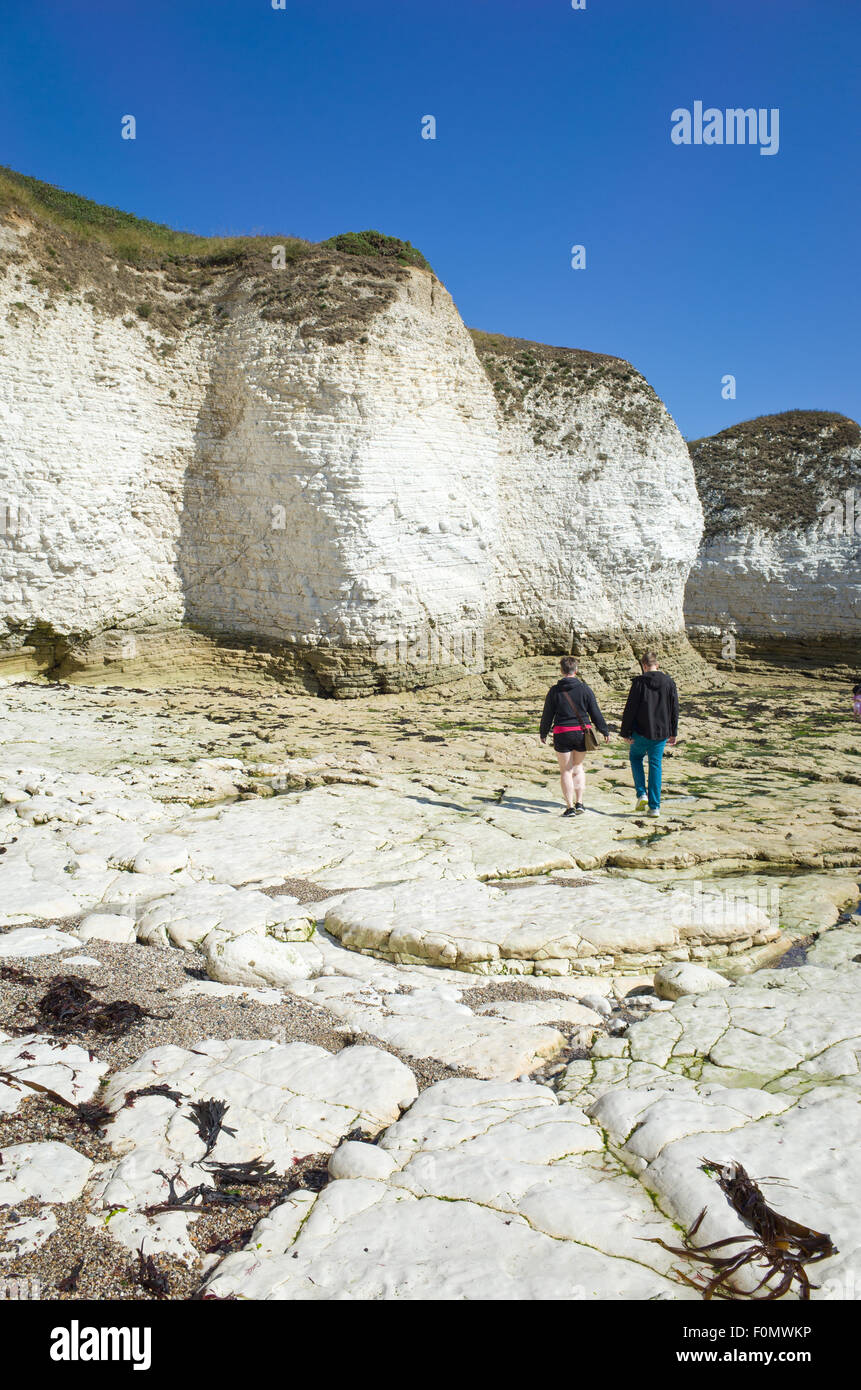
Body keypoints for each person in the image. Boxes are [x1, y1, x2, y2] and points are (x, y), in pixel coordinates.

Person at [539, 656, 610, 816]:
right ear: (576, 670)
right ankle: (580, 803)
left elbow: (547, 714)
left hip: (562, 733)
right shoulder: (585, 689)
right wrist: (604, 730)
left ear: (562, 671)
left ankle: (570, 807)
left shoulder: (554, 691)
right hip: (581, 733)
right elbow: (595, 712)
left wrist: (543, 732)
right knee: (577, 768)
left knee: (565, 770)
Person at [620, 650, 679, 818]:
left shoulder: (639, 683)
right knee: (655, 766)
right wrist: (673, 732)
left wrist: (625, 731)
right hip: (661, 733)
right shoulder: (669, 682)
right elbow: (674, 708)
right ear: (657, 665)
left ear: (644, 666)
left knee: (635, 758)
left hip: (639, 732)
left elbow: (630, 709)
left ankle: (641, 794)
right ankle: (655, 807)